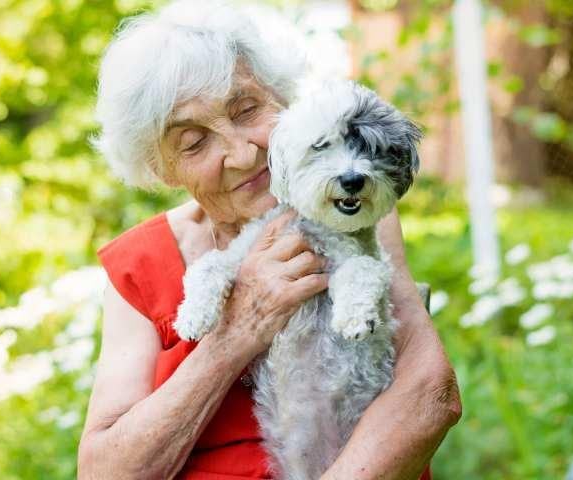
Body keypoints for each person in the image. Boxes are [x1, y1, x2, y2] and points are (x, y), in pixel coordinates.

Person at [77, 2, 461, 479]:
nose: (241, 154)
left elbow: (430, 394)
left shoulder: (349, 208)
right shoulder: (139, 265)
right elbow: (107, 473)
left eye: (247, 110)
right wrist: (235, 333)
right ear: (161, 169)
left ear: (282, 100)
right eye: (194, 143)